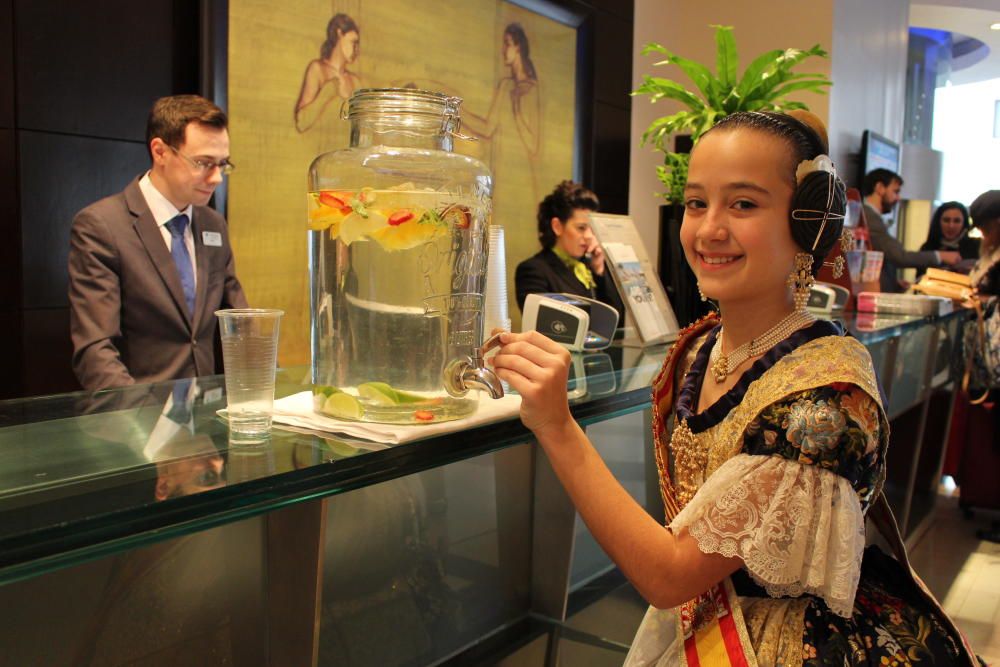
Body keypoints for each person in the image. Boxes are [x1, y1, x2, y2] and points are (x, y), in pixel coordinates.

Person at [492, 111, 978, 664]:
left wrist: (557, 425)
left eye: (743, 204)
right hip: (705, 624)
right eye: (697, 202)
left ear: (808, 223)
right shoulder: (702, 346)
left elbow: (670, 574)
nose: (708, 229)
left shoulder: (820, 405)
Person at [69, 95, 248, 391]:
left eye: (222, 164)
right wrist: (141, 425)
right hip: (137, 419)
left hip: (205, 420)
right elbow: (95, 351)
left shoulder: (213, 224)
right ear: (160, 151)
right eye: (204, 163)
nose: (216, 178)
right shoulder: (101, 226)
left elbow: (241, 323)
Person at [514, 180, 624, 318]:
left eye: (592, 228)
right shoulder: (533, 270)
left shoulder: (591, 265)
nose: (590, 236)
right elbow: (545, 322)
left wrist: (599, 271)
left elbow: (616, 318)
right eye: (581, 228)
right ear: (557, 226)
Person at [863, 168, 960, 292]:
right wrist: (940, 256)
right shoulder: (870, 218)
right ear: (880, 188)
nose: (898, 198)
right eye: (895, 191)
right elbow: (899, 256)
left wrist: (893, 283)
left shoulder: (871, 217)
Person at [294, 13, 361, 133]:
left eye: (357, 44)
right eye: (353, 42)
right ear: (339, 34)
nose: (356, 49)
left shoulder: (354, 81)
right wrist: (330, 89)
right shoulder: (318, 69)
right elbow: (302, 122)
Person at [918, 201, 979, 276]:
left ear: (964, 223)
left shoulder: (976, 247)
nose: (951, 226)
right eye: (946, 220)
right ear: (938, 222)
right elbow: (919, 279)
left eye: (957, 221)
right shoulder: (927, 248)